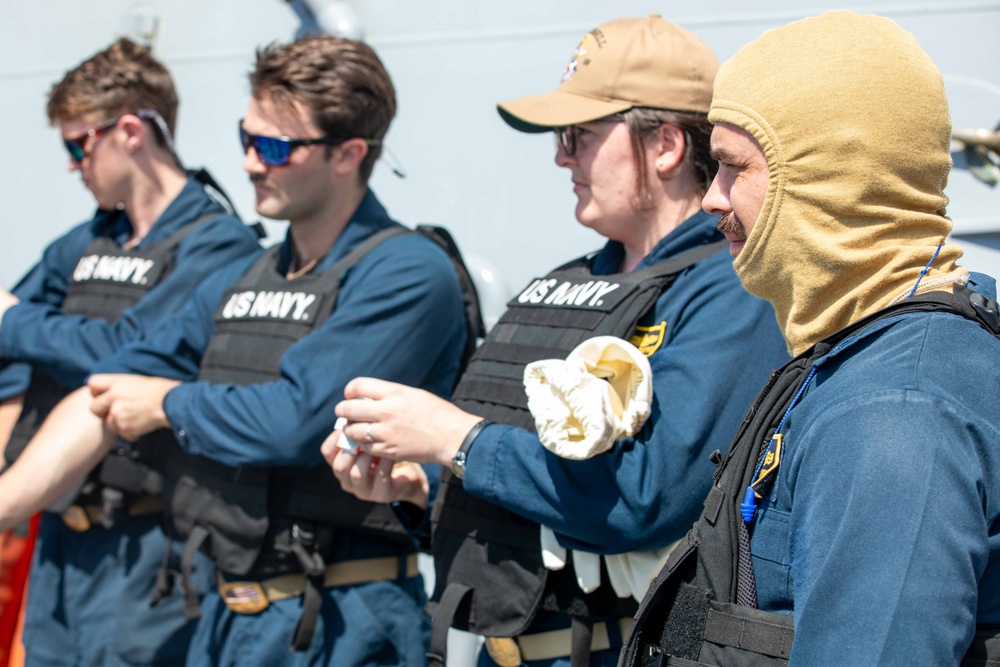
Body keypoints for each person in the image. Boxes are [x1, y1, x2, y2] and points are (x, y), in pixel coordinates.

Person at [325, 15, 789, 667]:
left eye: (580, 135)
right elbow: (523, 468)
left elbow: (646, 498)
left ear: (667, 146)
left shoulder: (730, 292)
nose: (560, 155)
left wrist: (454, 437)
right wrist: (421, 489)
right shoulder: (566, 284)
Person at [0, 34, 468, 667]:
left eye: (274, 146)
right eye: (246, 137)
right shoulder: (246, 275)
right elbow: (114, 381)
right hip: (220, 614)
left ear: (348, 154)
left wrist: (169, 403)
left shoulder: (405, 271)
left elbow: (298, 420)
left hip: (338, 620)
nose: (250, 162)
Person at [618, 11, 1000, 667]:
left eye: (734, 166)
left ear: (830, 178)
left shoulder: (892, 410)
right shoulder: (866, 346)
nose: (713, 198)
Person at [0, 38, 262, 666]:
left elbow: (125, 352)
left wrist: (16, 323)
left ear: (129, 131)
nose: (72, 165)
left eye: (77, 145)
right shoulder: (87, 242)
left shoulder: (216, 244)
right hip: (63, 542)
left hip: (150, 549)